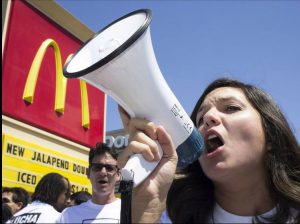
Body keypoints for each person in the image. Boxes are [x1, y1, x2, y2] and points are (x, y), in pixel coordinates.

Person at [117, 78, 300, 223]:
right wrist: (146, 211)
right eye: (200, 118)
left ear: (271, 137)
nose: (209, 117)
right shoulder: (170, 218)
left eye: (231, 108)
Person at [57, 142, 121, 223]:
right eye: (97, 167)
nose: (103, 172)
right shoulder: (68, 216)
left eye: (109, 168)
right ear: (88, 173)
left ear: (118, 174)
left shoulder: (131, 212)